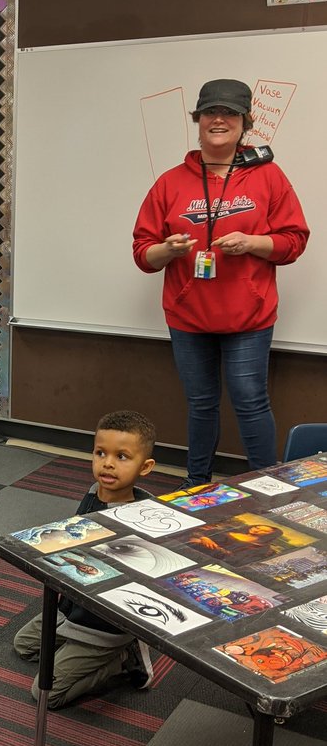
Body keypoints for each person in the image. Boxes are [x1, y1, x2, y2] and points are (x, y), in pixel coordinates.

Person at [133, 79, 309, 486]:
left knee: (250, 401)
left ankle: (268, 487)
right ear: (197, 121)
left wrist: (253, 243)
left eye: (229, 113)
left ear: (244, 122)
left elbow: (293, 241)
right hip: (188, 315)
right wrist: (168, 250)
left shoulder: (268, 177)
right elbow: (143, 252)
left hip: (249, 315)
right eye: (210, 112)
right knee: (200, 404)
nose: (219, 119)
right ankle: (197, 484)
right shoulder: (170, 182)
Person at [13, 410, 159, 709]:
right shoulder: (94, 494)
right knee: (24, 646)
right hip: (73, 606)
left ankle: (122, 659)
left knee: (45, 694)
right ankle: (76, 648)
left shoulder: (140, 519)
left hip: (103, 623)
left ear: (145, 467)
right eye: (101, 453)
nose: (107, 463)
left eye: (122, 457)